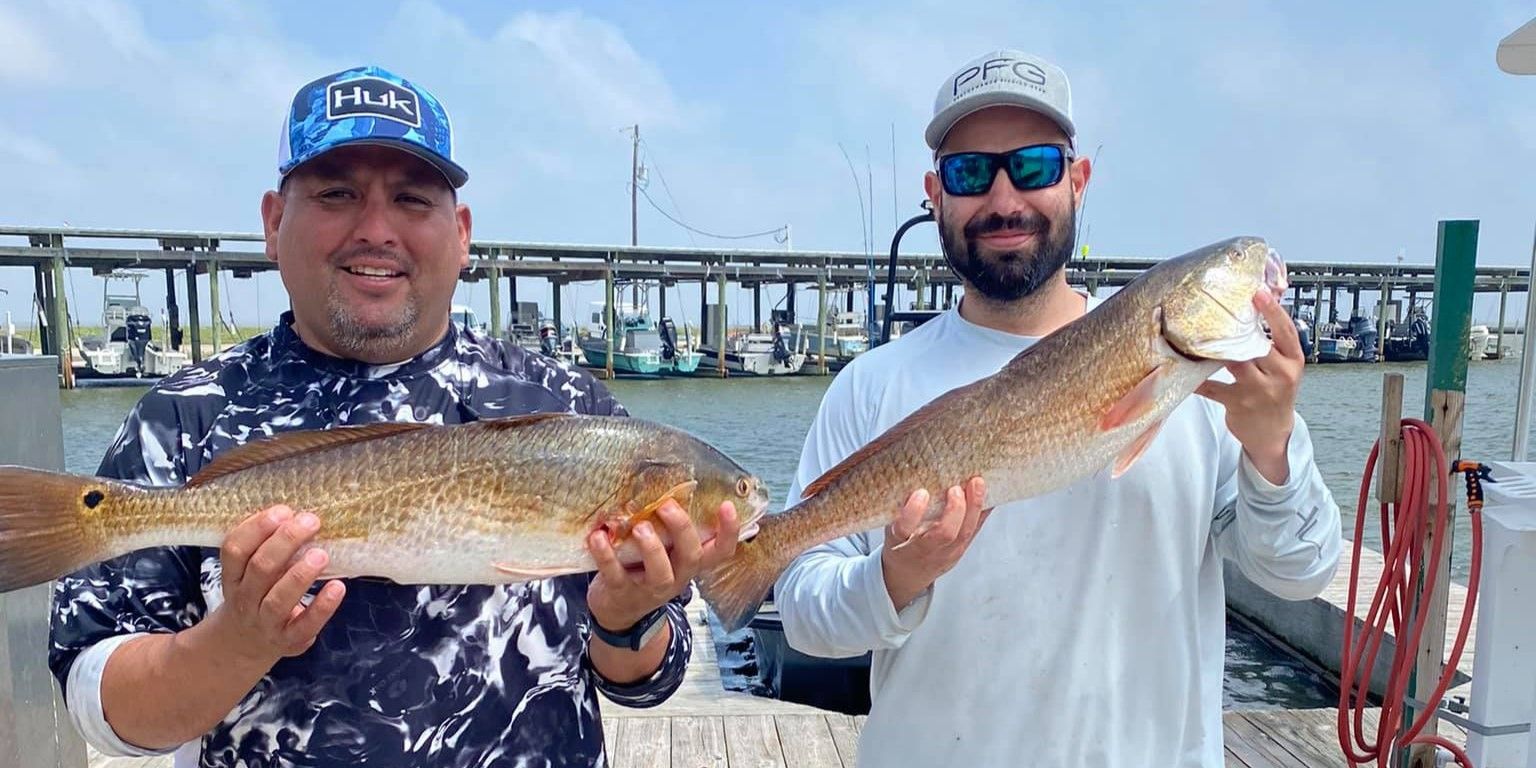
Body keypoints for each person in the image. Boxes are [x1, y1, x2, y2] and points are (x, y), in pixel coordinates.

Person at [48, 65, 737, 768]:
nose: (376, 229)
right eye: (337, 193)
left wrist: (627, 618)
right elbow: (99, 705)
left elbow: (651, 680)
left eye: (412, 199)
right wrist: (237, 642)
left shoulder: (569, 408)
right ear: (273, 222)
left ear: (462, 233)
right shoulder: (183, 419)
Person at [773, 49, 1341, 767]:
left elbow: (1301, 571)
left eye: (1035, 166)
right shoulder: (869, 386)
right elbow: (803, 614)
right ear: (934, 194)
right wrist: (893, 578)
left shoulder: (1214, 393)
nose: (1004, 199)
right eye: (971, 173)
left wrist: (1272, 447)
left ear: (1078, 179)